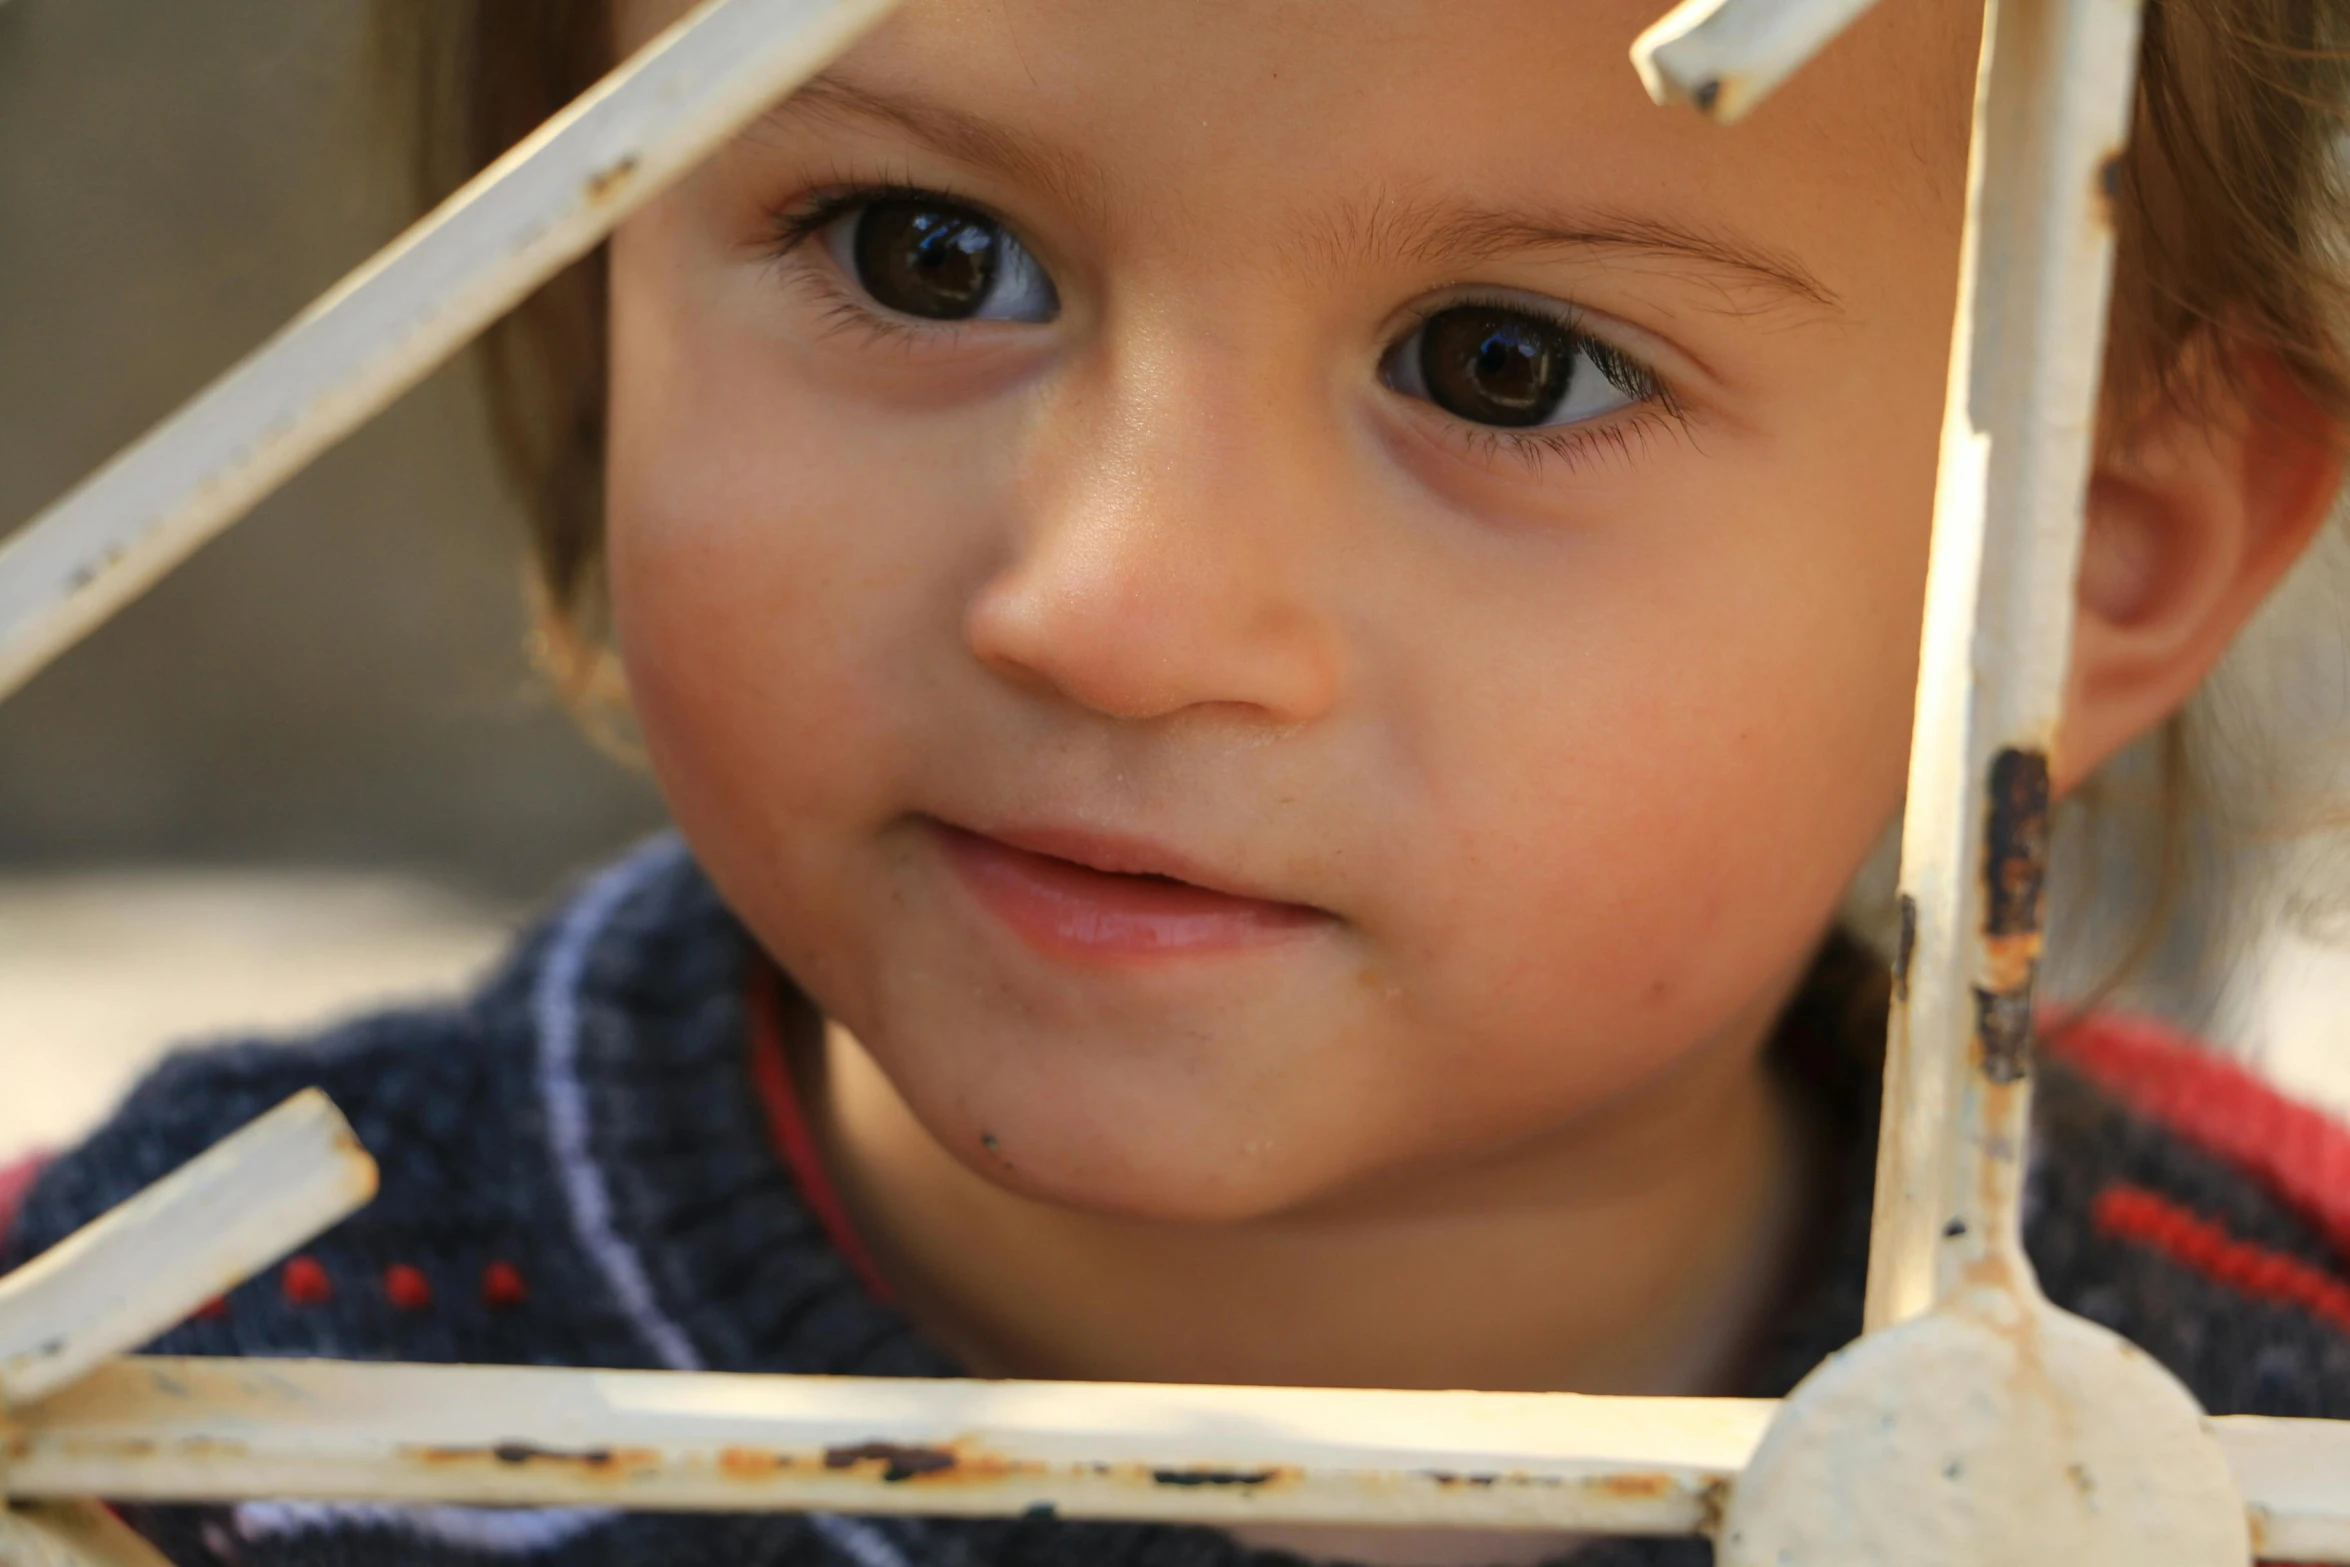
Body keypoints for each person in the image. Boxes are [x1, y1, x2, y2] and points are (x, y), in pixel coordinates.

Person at [8, 1, 2350, 1562]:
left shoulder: (2279, 1409)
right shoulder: (144, 1388)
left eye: (1502, 367)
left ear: (2080, 550)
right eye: (926, 257)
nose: (1108, 606)